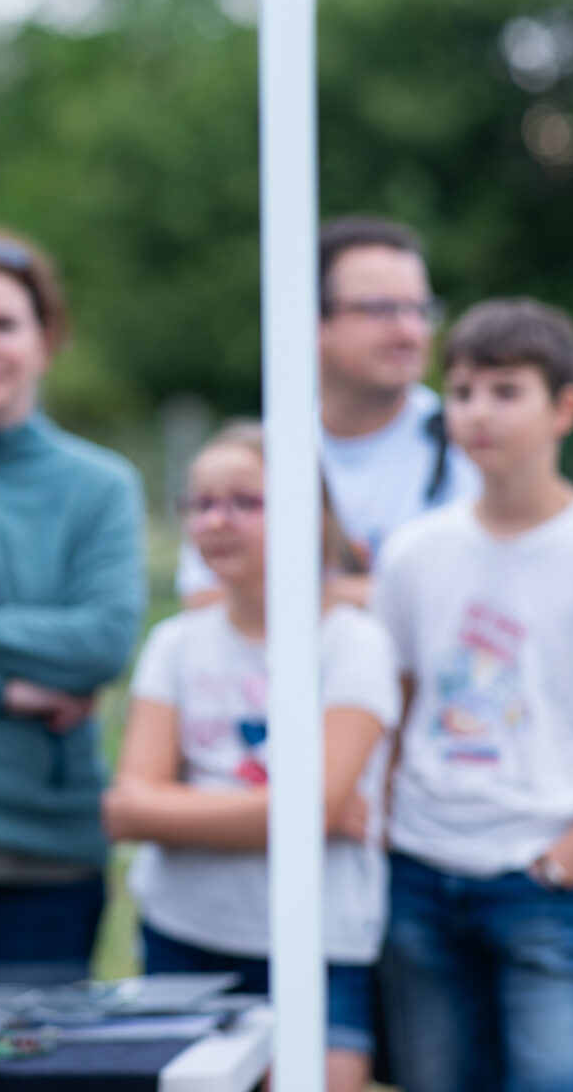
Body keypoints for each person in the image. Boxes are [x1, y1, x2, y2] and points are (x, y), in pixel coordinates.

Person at [374, 298, 573, 1092]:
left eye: (506, 391)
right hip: (422, 871)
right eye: (462, 391)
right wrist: (388, 835)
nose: (479, 412)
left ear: (565, 407)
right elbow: (394, 709)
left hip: (551, 886)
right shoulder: (416, 552)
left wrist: (562, 865)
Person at [103, 422, 398, 1092]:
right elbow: (126, 807)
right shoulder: (175, 644)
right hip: (183, 935)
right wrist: (288, 810)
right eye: (202, 503)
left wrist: (178, 808)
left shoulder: (354, 645)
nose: (217, 520)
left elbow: (316, 809)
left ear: (304, 513)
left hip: (322, 945)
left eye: (244, 501)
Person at [0, 230, 146, 982]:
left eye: (4, 324)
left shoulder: (101, 486)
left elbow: (104, 640)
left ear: (46, 338)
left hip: (49, 854)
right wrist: (9, 687)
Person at [173, 215, 476, 608]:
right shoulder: (266, 454)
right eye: (381, 310)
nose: (410, 332)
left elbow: (477, 600)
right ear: (310, 322)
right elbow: (204, 600)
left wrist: (288, 600)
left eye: (420, 310)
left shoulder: (470, 443)